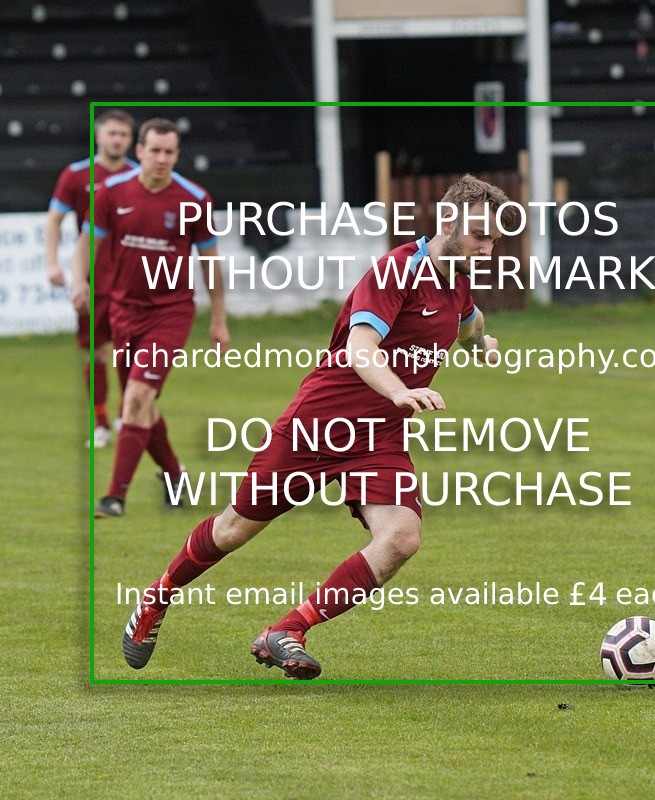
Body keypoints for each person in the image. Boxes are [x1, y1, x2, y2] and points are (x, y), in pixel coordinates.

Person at [120, 174, 519, 679]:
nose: (488, 247)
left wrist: (482, 342)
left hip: (379, 437)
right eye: (481, 235)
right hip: (320, 422)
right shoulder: (397, 271)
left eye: (494, 240)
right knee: (233, 529)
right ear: (447, 221)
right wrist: (398, 390)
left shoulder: (458, 279)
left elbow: (468, 321)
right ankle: (155, 600)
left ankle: (287, 630)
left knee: (401, 538)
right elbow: (359, 350)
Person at [75, 117, 229, 518]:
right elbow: (85, 243)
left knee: (137, 398)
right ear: (139, 151)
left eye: (170, 152)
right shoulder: (109, 192)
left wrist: (218, 319)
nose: (162, 159)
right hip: (124, 312)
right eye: (155, 150)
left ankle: (114, 497)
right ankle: (177, 477)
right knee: (141, 406)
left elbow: (210, 263)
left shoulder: (194, 198)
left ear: (177, 155)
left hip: (170, 314)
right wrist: (79, 282)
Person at [45, 109, 136, 448]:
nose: (117, 140)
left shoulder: (140, 177)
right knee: (97, 352)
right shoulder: (76, 174)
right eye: (112, 133)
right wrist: (53, 264)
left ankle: (128, 414)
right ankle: (101, 423)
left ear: (131, 140)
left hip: (132, 280)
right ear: (99, 136)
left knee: (131, 353)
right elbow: (54, 219)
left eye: (123, 134)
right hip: (94, 280)